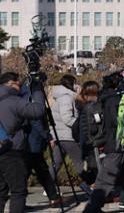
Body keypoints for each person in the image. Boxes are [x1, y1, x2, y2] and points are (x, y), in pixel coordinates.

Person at [84, 72, 124, 213]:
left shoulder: (105, 99)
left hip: (113, 143)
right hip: (115, 144)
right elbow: (117, 123)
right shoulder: (113, 101)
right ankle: (92, 208)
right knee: (106, 180)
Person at [0, 72, 46, 213]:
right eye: (19, 84)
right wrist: (37, 90)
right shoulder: (13, 101)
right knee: (18, 191)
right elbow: (37, 111)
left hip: (2, 147)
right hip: (11, 149)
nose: (20, 87)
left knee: (1, 190)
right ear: (11, 83)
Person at [20, 83, 62, 208]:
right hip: (33, 141)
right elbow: (36, 120)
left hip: (30, 141)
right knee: (36, 170)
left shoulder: (24, 94)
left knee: (37, 170)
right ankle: (53, 198)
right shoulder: (33, 95)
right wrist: (47, 136)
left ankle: (53, 197)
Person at [49, 74, 91, 194]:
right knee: (79, 161)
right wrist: (80, 126)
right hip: (67, 136)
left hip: (59, 135)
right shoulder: (66, 97)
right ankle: (88, 184)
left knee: (56, 163)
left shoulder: (61, 96)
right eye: (75, 83)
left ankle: (49, 187)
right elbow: (67, 117)